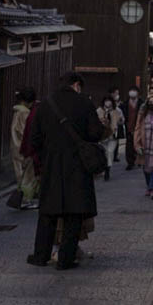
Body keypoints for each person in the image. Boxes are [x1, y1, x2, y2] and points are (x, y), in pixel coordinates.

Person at [26, 71, 103, 270]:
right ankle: (65, 259)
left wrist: (46, 155)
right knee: (74, 213)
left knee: (48, 214)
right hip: (77, 166)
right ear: (77, 85)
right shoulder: (84, 103)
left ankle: (41, 255)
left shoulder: (45, 105)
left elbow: (33, 140)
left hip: (51, 165)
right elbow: (95, 133)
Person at [10, 87, 39, 208]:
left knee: (20, 174)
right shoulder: (24, 113)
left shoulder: (17, 111)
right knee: (27, 175)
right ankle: (25, 199)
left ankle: (24, 199)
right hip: (23, 147)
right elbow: (26, 132)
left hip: (16, 146)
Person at [97, 96, 123, 180]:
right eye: (106, 101)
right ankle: (104, 167)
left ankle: (107, 169)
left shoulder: (117, 110)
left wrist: (120, 121)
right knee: (103, 153)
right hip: (102, 136)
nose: (108, 102)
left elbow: (122, 120)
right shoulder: (99, 111)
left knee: (110, 152)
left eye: (109, 101)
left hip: (113, 135)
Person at [122, 86, 142, 170]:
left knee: (139, 144)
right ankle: (130, 162)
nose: (132, 92)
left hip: (139, 127)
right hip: (128, 126)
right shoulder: (125, 104)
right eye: (131, 91)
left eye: (134, 91)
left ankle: (139, 160)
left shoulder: (142, 103)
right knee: (129, 145)